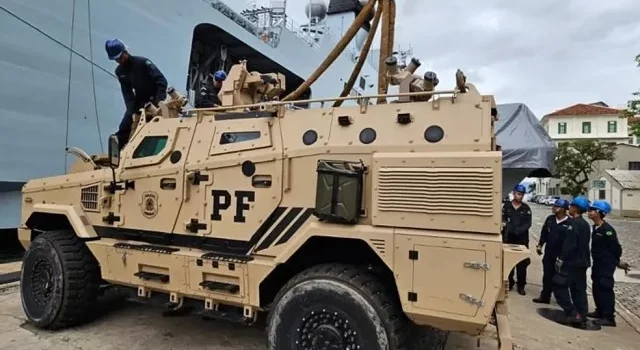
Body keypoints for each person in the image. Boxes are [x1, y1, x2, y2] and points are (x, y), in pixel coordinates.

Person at [105, 38, 168, 149]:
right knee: (125, 126)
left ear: (125, 52)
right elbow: (127, 93)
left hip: (155, 98)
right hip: (140, 102)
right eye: (116, 59)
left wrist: (158, 101)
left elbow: (161, 81)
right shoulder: (120, 72)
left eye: (120, 57)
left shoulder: (142, 62)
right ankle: (116, 155)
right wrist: (132, 111)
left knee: (153, 126)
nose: (119, 61)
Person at [552, 196, 592, 329]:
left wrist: (561, 258)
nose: (570, 208)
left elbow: (570, 245)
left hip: (572, 262)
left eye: (571, 206)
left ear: (575, 208)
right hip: (582, 262)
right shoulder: (585, 224)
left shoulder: (574, 224)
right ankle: (582, 314)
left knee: (558, 285)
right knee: (578, 290)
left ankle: (572, 312)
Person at [587, 200, 622, 327]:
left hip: (606, 264)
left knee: (605, 287)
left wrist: (617, 261)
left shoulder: (608, 230)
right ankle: (600, 311)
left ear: (599, 213)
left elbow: (616, 248)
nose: (589, 212)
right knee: (596, 286)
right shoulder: (596, 227)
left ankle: (608, 317)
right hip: (598, 263)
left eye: (592, 210)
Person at [533, 198, 572, 304]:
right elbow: (544, 232)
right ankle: (545, 296)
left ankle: (562, 299)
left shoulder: (570, 223)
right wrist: (540, 244)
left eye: (557, 206)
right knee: (547, 276)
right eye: (554, 206)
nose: (554, 208)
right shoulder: (550, 219)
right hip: (549, 253)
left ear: (564, 209)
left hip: (561, 255)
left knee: (560, 279)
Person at [502, 184, 532, 295]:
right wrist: (508, 229)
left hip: (522, 240)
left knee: (522, 264)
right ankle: (510, 282)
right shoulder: (507, 206)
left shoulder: (526, 208)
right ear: (514, 193)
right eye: (518, 194)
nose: (520, 196)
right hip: (509, 238)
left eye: (522, 194)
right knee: (509, 262)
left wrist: (517, 231)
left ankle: (521, 285)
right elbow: (503, 220)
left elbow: (528, 223)